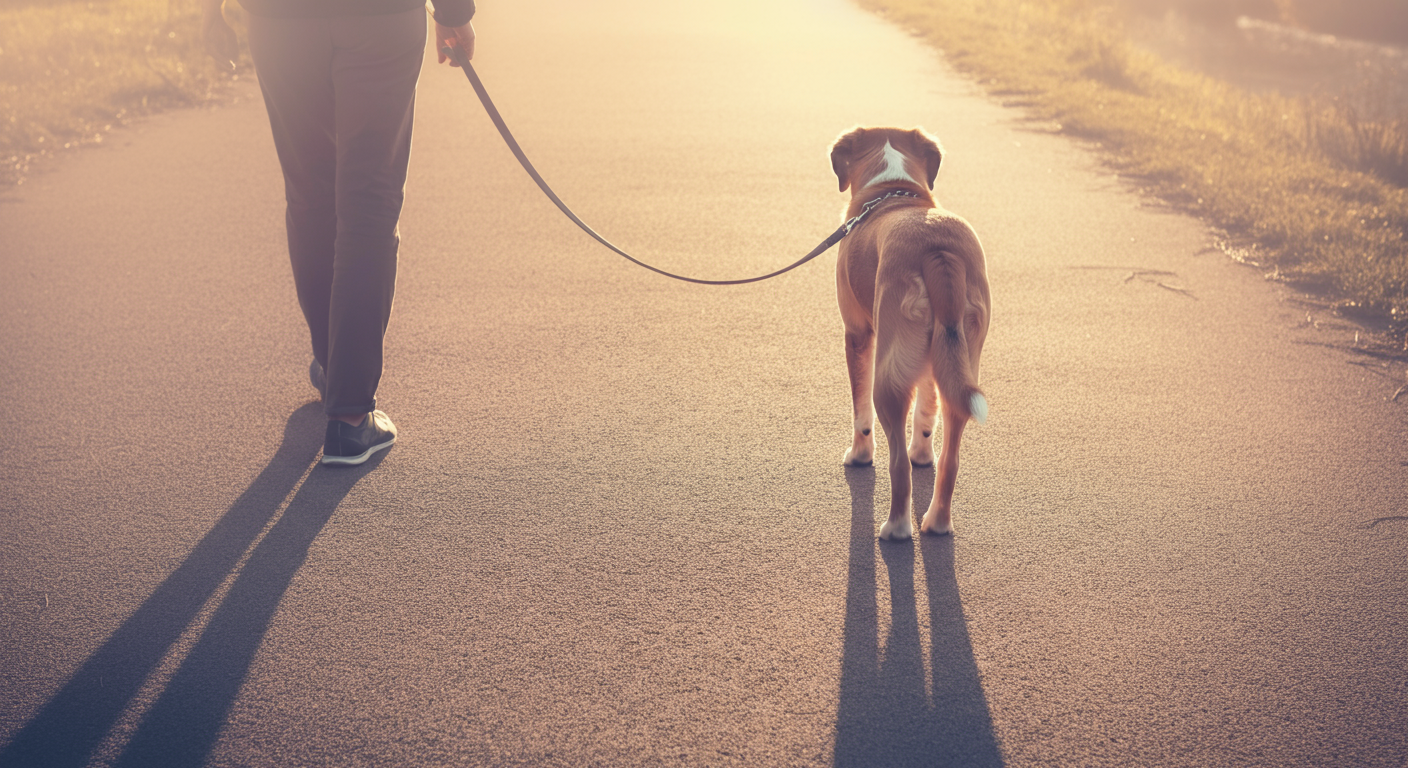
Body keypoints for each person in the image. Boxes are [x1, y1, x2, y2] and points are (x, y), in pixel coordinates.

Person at [201, 0, 475, 465]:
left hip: (281, 20)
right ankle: (349, 416)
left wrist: (211, 11)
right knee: (369, 201)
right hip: (380, 19)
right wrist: (453, 11)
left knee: (310, 193)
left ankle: (334, 369)